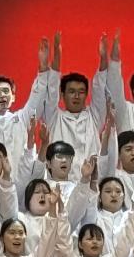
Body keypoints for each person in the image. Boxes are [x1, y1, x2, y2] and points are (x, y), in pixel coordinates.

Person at [41, 31, 110, 177]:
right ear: (62, 95)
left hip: (91, 183)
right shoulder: (54, 118)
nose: (77, 96)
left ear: (86, 94)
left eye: (81, 92)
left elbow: (99, 88)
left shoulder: (94, 117)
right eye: (71, 91)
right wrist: (57, 56)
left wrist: (104, 58)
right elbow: (52, 89)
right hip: (60, 184)